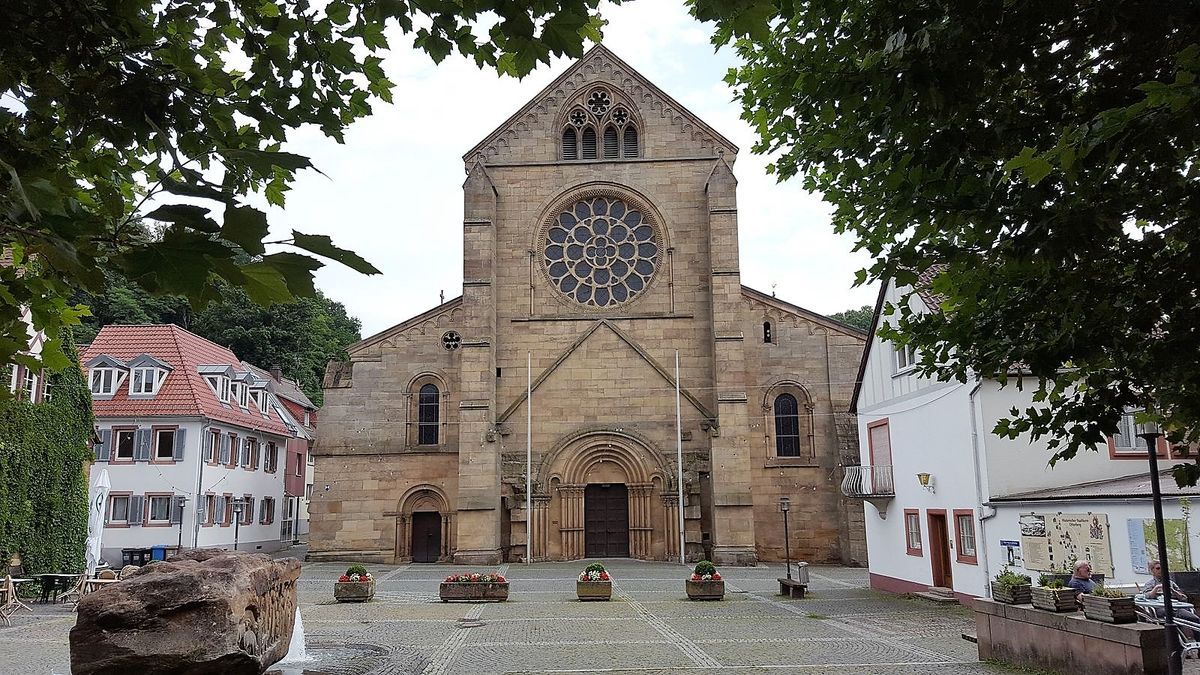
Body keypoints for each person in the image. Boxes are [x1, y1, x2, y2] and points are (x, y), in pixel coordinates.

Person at [1143, 560, 1200, 639]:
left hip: (1176, 606)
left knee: (1193, 618)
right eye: (1158, 568)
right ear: (1152, 571)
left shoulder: (1171, 583)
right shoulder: (1150, 584)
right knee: (1189, 618)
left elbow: (1184, 598)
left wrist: (1174, 592)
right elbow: (1146, 597)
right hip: (1161, 608)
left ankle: (1197, 639)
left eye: (1163, 568)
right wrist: (1156, 589)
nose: (1161, 570)